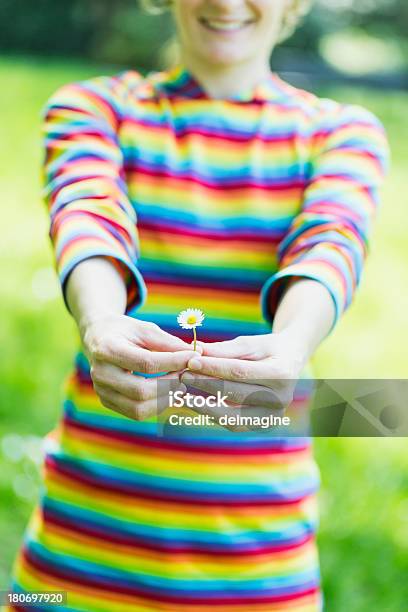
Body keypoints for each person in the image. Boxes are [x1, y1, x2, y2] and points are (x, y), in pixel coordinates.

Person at [6, 0, 388, 610]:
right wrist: (100, 318)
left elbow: (331, 243)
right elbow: (87, 211)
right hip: (70, 564)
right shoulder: (96, 107)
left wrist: (294, 341)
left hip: (261, 569)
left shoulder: (340, 132)